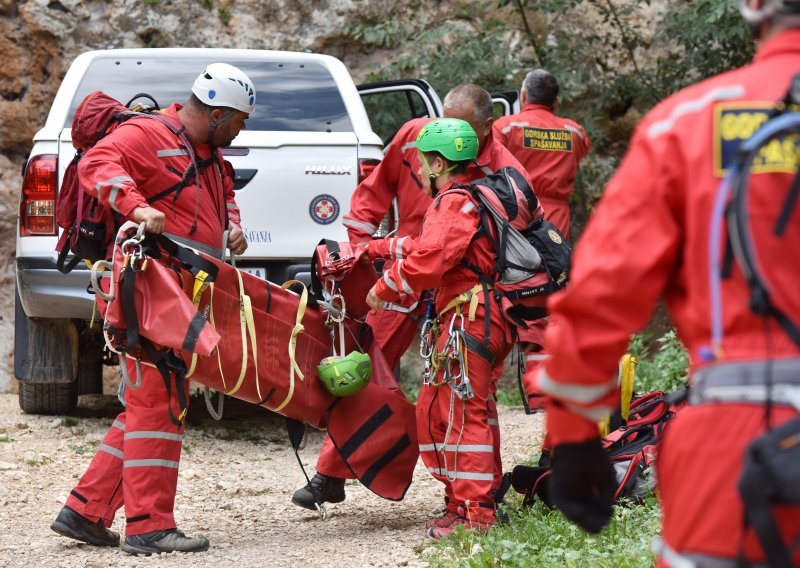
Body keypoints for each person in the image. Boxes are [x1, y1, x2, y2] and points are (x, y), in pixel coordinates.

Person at [534, 2, 800, 565]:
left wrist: (576, 437)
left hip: (744, 443)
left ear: (754, 6)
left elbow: (601, 294)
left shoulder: (689, 122)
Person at [292, 85, 536, 512]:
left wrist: (388, 281)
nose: (447, 132)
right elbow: (372, 197)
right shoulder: (417, 137)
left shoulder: (505, 170)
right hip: (410, 275)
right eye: (445, 120)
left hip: (458, 290)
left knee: (469, 395)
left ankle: (480, 495)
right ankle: (332, 472)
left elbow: (467, 248)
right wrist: (363, 251)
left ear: (486, 128)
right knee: (367, 363)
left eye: (463, 127)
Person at [50, 63, 253, 555]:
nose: (242, 130)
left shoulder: (210, 155)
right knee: (160, 405)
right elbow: (97, 165)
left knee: (151, 403)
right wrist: (138, 208)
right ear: (220, 114)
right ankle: (149, 526)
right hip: (149, 288)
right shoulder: (146, 133)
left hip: (183, 291)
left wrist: (233, 229)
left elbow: (222, 201)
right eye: (240, 121)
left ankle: (85, 511)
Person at [364, 118, 536, 538]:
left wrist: (384, 287)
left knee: (464, 414)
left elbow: (431, 260)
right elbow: (429, 246)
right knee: (447, 409)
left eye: (422, 164)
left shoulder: (454, 201)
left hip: (471, 318)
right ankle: (464, 502)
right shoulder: (473, 196)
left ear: (439, 163)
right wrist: (376, 247)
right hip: (477, 317)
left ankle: (478, 514)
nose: (419, 172)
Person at [493, 69, 591, 413]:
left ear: (522, 95)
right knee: (551, 304)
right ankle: (550, 391)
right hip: (556, 228)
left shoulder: (506, 127)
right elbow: (578, 157)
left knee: (511, 298)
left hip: (518, 222)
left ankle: (503, 386)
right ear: (557, 101)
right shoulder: (574, 131)